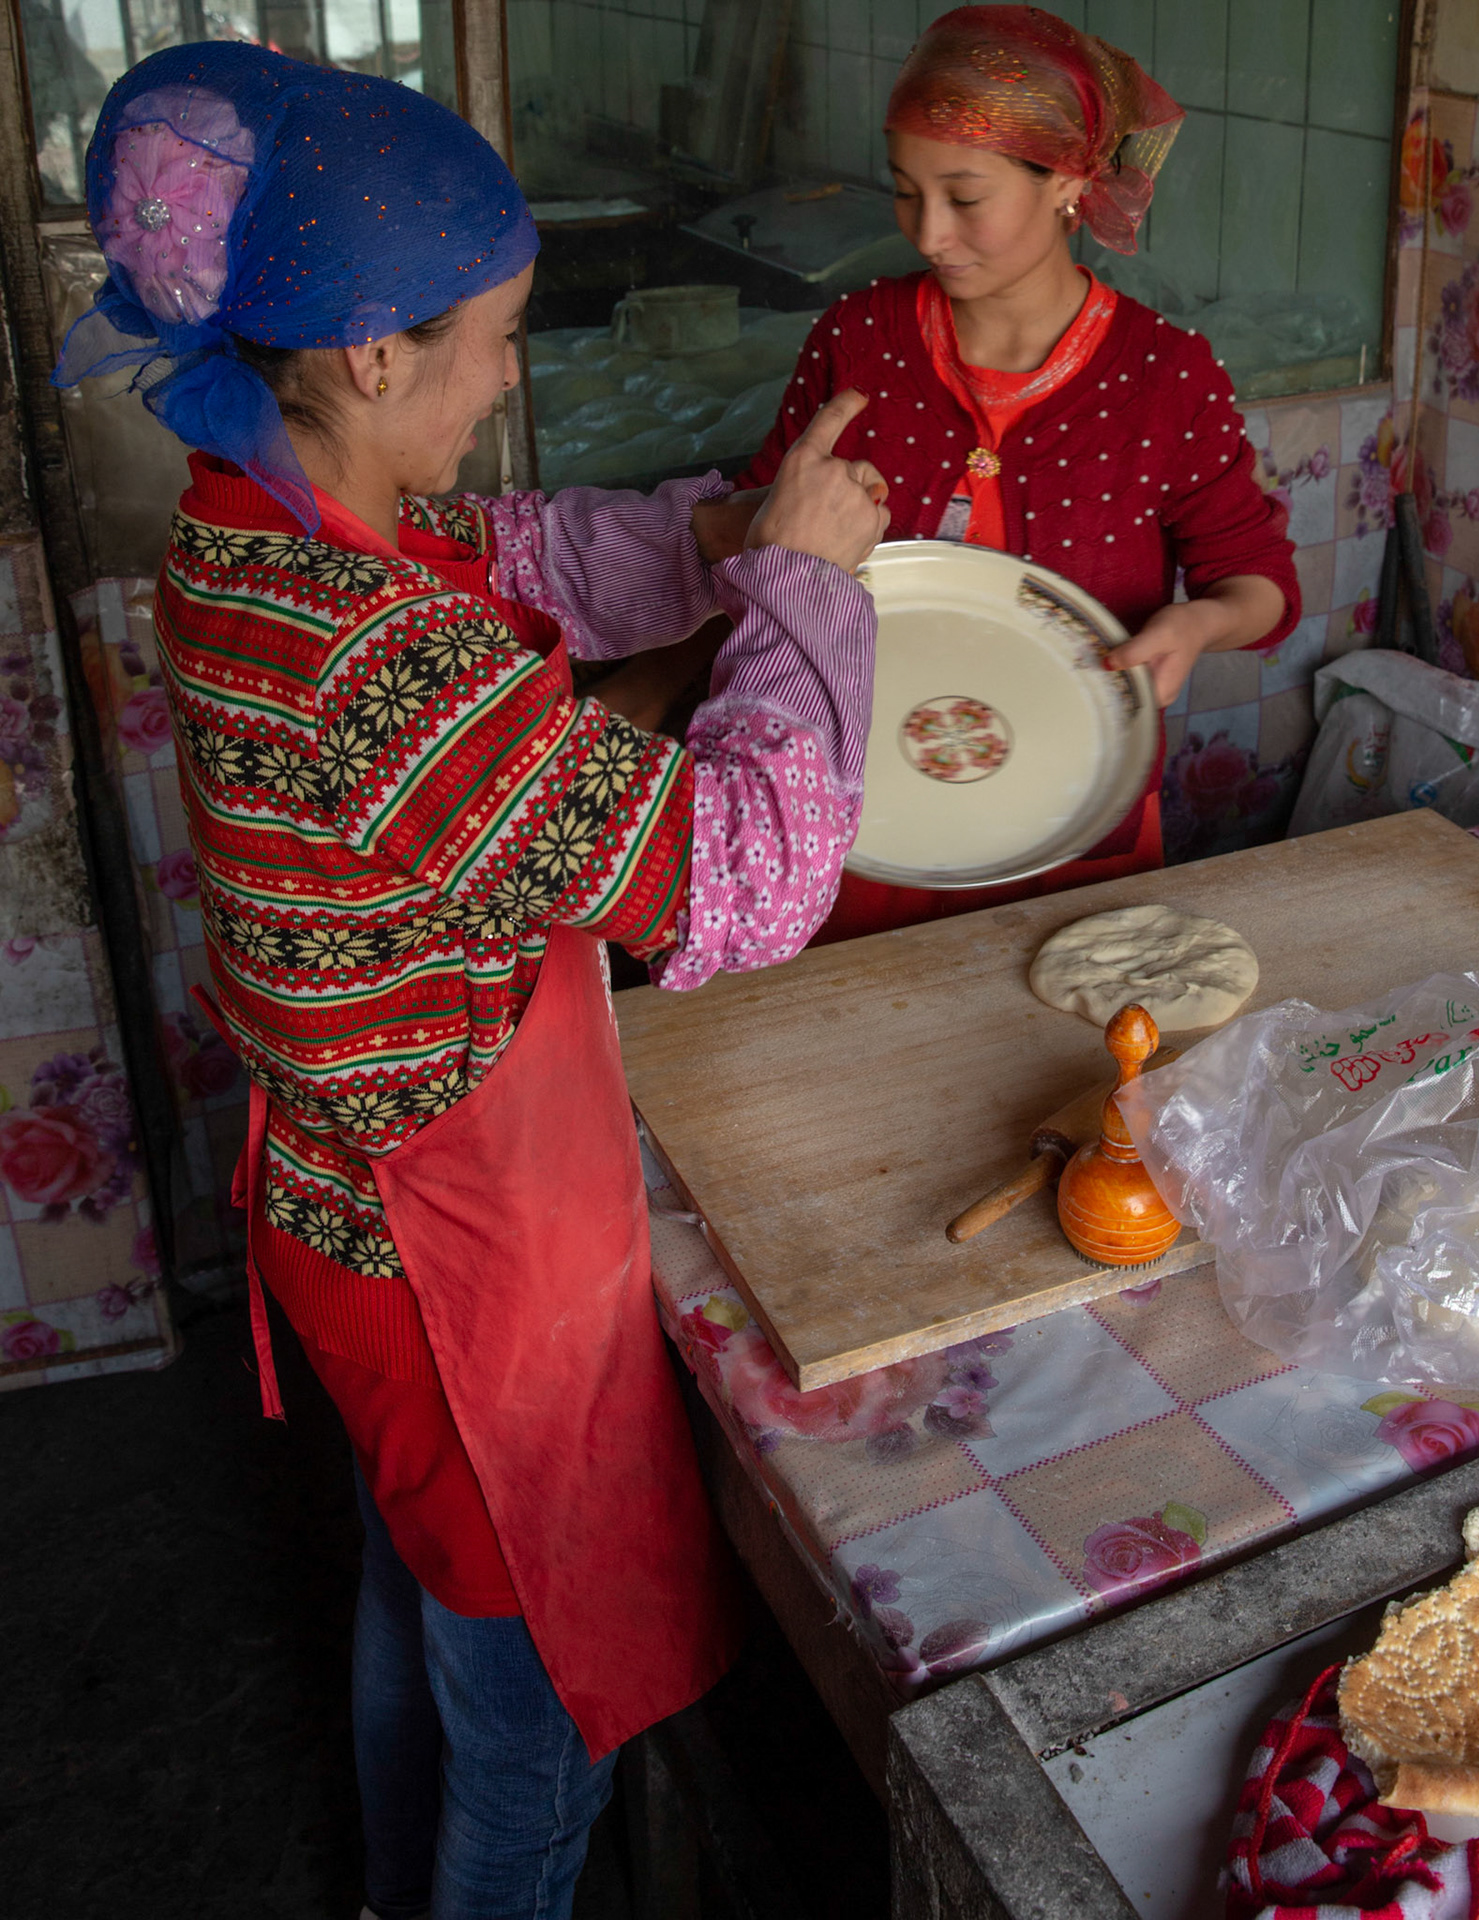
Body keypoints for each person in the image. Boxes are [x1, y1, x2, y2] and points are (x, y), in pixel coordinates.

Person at [55, 43, 888, 1920]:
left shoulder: (256, 525)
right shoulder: (380, 663)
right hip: (457, 1269)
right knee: (528, 1711)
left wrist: (722, 542)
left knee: (419, 1599)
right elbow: (741, 884)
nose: (512, 380)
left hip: (344, 1213)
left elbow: (502, 559)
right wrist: (813, 595)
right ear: (370, 354)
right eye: (496, 341)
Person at [740, 4, 1301, 941]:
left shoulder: (1164, 377)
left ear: (1069, 184)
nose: (927, 233)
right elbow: (756, 534)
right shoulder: (858, 339)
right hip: (860, 820)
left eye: (964, 198)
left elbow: (1261, 586)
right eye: (905, 191)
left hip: (1073, 821)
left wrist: (1197, 623)